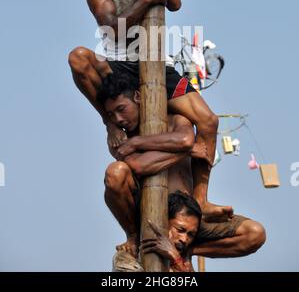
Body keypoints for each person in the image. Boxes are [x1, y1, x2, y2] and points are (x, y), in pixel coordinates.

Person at [68, 0, 230, 219]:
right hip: (120, 65)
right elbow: (112, 28)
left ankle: (201, 200)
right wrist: (145, 0)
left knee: (208, 121)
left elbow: (175, 3)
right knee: (77, 56)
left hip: (159, 65)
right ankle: (110, 123)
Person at [100, 73, 266, 261]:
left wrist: (139, 142)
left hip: (188, 216)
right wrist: (186, 151)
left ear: (138, 97)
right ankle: (133, 236)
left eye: (122, 109)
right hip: (147, 215)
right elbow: (138, 165)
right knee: (115, 172)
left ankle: (189, 250)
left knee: (255, 233)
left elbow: (185, 139)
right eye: (111, 115)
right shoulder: (119, 137)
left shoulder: (175, 118)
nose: (119, 119)